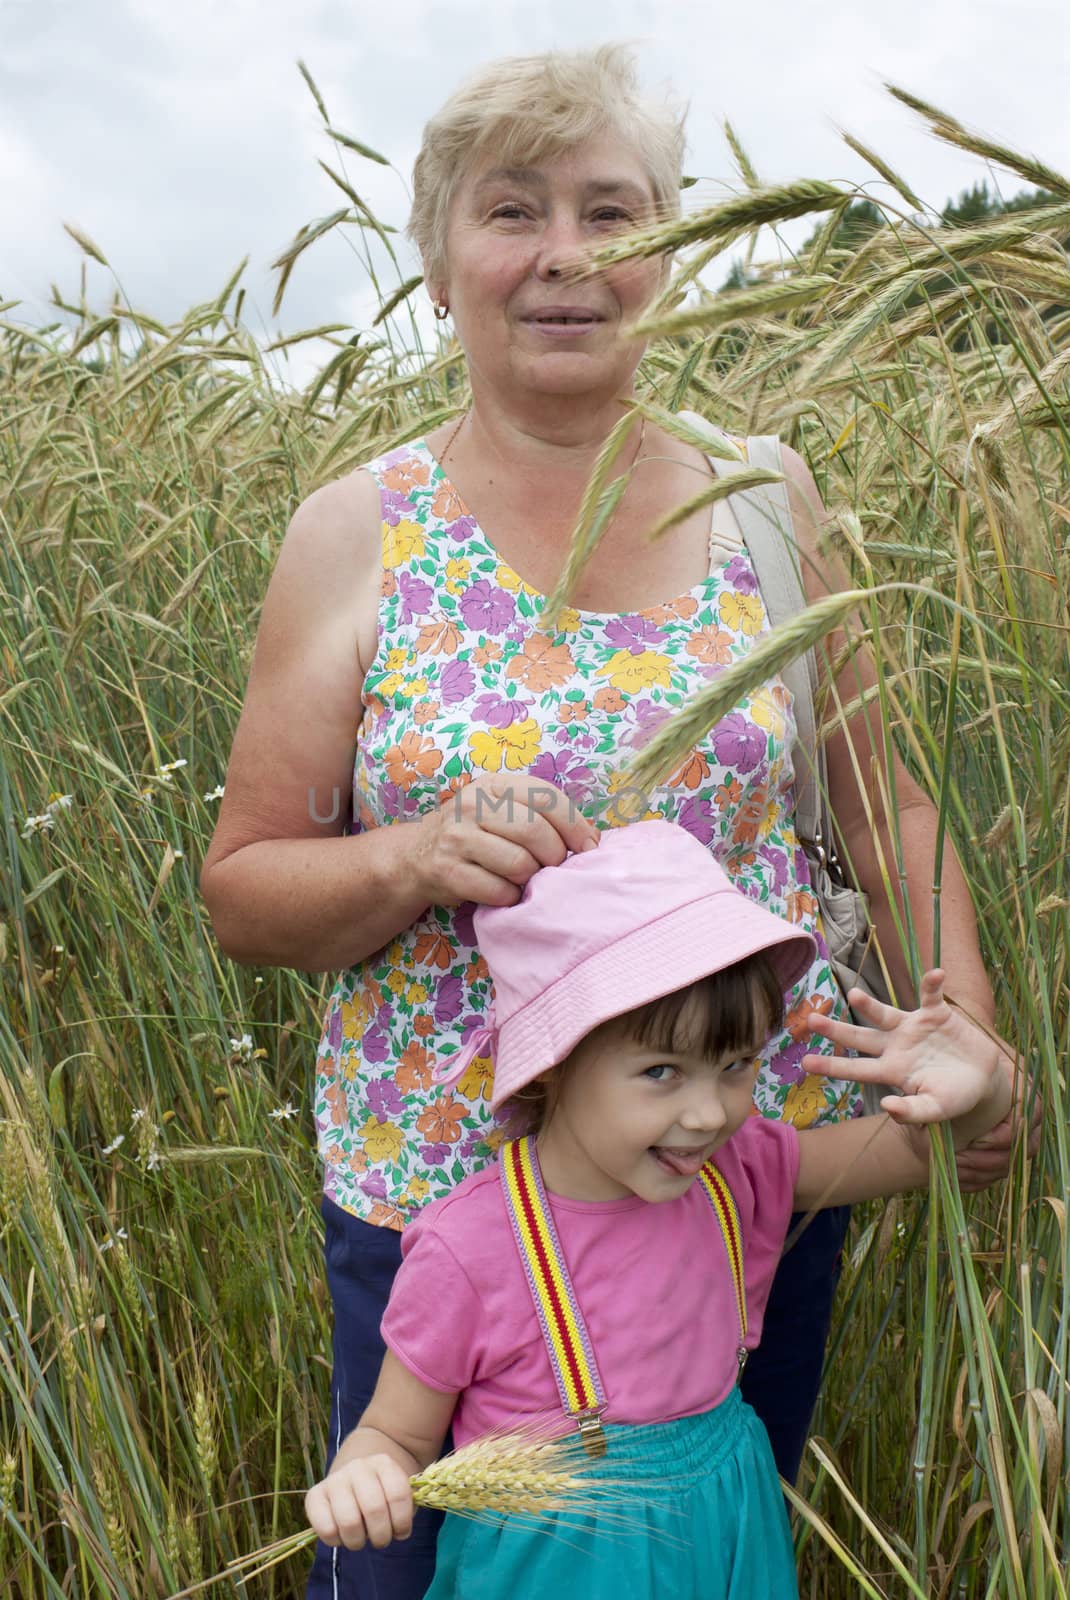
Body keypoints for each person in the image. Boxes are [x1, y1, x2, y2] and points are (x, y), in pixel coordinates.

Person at [198, 43, 1019, 1599]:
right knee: (406, 1575)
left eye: (612, 211)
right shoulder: (357, 534)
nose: (567, 256)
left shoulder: (764, 501)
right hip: (440, 1198)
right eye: (514, 212)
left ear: (672, 251)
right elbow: (245, 887)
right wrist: (409, 856)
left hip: (726, 1177)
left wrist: (961, 1037)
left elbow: (882, 801)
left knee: (698, 1551)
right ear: (441, 263)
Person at [303, 821, 1012, 1599]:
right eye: (662, 1071)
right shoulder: (468, 1248)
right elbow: (394, 1434)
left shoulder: (741, 1172)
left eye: (735, 1065)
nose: (709, 1113)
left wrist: (977, 1094)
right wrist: (364, 1472)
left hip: (728, 1536)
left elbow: (916, 1152)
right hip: (556, 1570)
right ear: (554, 1062)